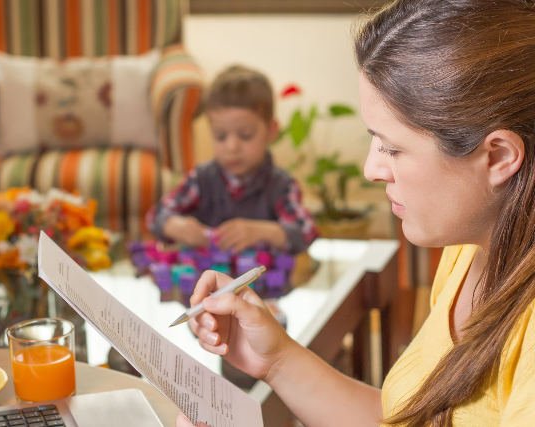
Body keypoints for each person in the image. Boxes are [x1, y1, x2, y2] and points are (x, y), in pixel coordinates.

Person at [177, 0, 535, 425]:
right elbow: (405, 419)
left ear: (497, 156)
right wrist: (276, 359)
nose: (371, 169)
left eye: (392, 148)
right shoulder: (472, 247)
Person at [146, 65, 317, 254]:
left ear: (271, 131)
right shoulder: (201, 179)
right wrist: (173, 225)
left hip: (261, 281)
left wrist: (264, 232)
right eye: (220, 136)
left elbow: (307, 232)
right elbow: (155, 216)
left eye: (245, 135)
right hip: (207, 280)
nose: (232, 147)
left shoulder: (281, 185)